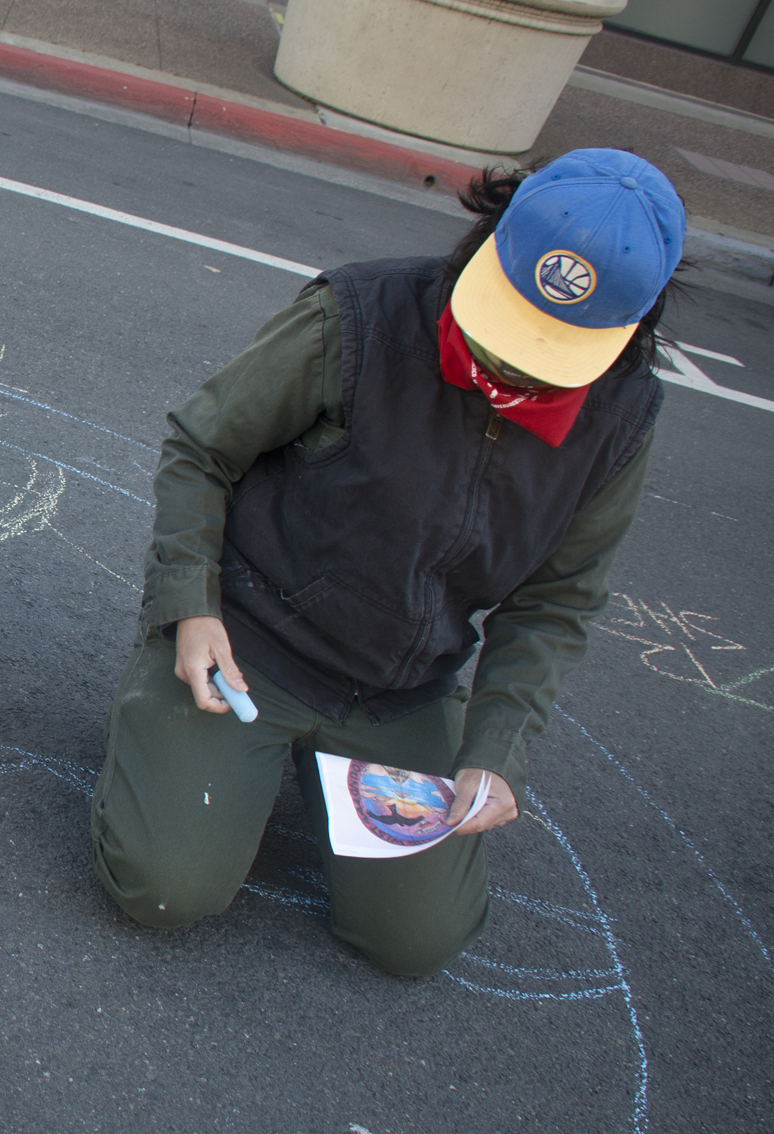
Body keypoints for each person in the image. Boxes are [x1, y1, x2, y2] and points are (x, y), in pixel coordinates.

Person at [91, 148, 684, 976]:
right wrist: (191, 605)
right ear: (492, 239)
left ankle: (287, 773)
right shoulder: (361, 314)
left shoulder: (622, 415)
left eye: (552, 346)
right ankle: (163, 709)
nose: (513, 366)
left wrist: (495, 749)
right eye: (515, 318)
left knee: (417, 941)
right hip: (248, 645)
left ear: (629, 326)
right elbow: (201, 446)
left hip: (399, 689)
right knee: (162, 888)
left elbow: (556, 600)